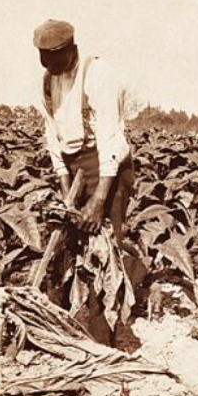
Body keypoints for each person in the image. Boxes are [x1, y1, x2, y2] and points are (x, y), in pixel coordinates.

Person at [33, 19, 138, 315]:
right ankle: (74, 309)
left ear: (73, 49)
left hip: (105, 163)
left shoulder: (97, 74)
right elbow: (53, 136)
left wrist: (98, 199)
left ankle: (111, 317)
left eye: (56, 57)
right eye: (45, 59)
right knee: (72, 238)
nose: (50, 64)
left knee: (106, 241)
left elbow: (110, 137)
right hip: (72, 163)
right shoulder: (44, 81)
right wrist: (67, 191)